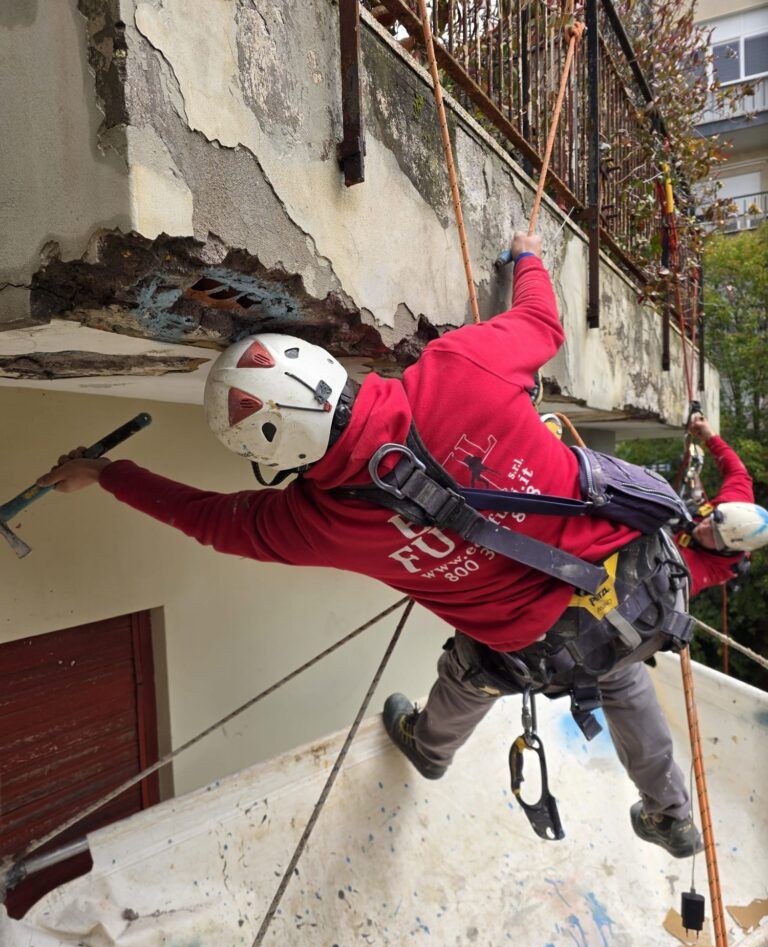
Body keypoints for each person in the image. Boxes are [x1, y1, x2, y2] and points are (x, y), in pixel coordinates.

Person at [40, 234, 764, 859]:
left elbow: (209, 518)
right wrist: (528, 255)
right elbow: (542, 322)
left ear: (275, 460)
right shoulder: (457, 369)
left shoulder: (311, 521)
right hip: (640, 581)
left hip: (547, 640)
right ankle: (669, 810)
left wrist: (106, 473)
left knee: (475, 670)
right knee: (621, 666)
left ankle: (430, 747)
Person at [675, 412, 766, 593]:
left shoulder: (707, 570)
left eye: (715, 537)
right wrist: (710, 436)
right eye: (713, 520)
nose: (704, 528)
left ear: (726, 550)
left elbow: (666, 579)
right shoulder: (735, 507)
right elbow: (737, 471)